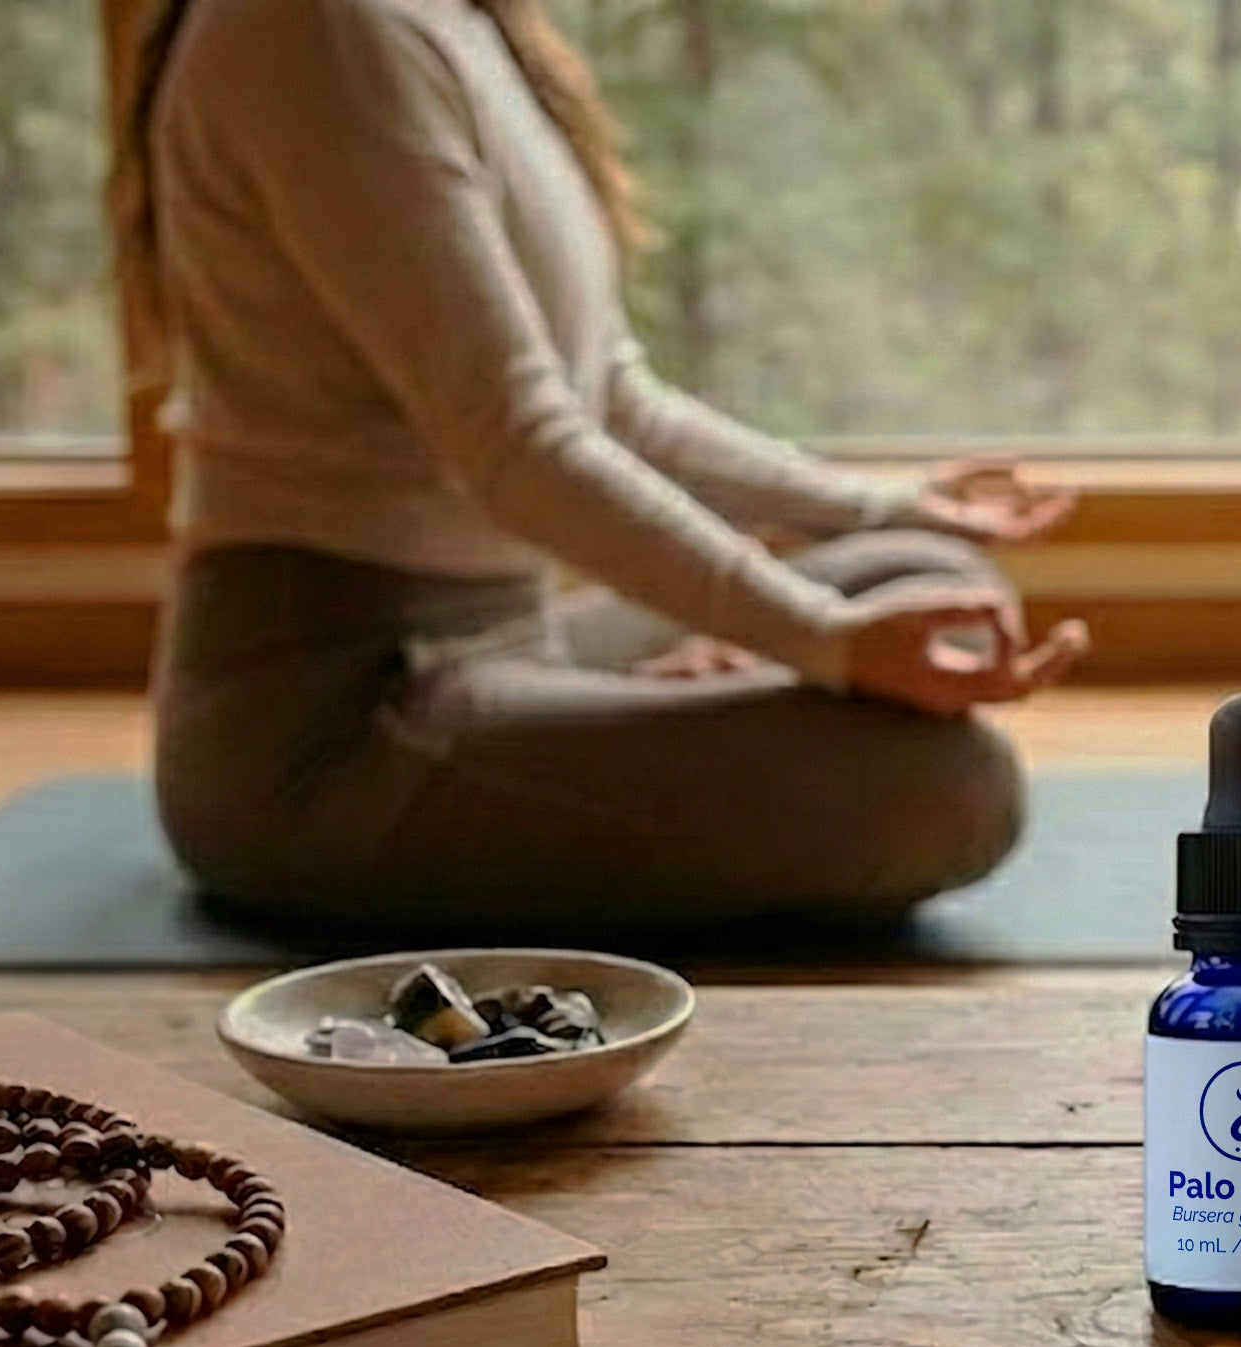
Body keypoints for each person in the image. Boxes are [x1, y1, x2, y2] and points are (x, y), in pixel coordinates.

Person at [111, 0, 1089, 935]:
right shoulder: (321, 24)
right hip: (332, 725)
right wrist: (818, 639)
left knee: (931, 576)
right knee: (946, 790)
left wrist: (881, 504)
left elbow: (610, 396)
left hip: (505, 641)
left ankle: (639, 726)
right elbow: (519, 441)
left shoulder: (458, 20)